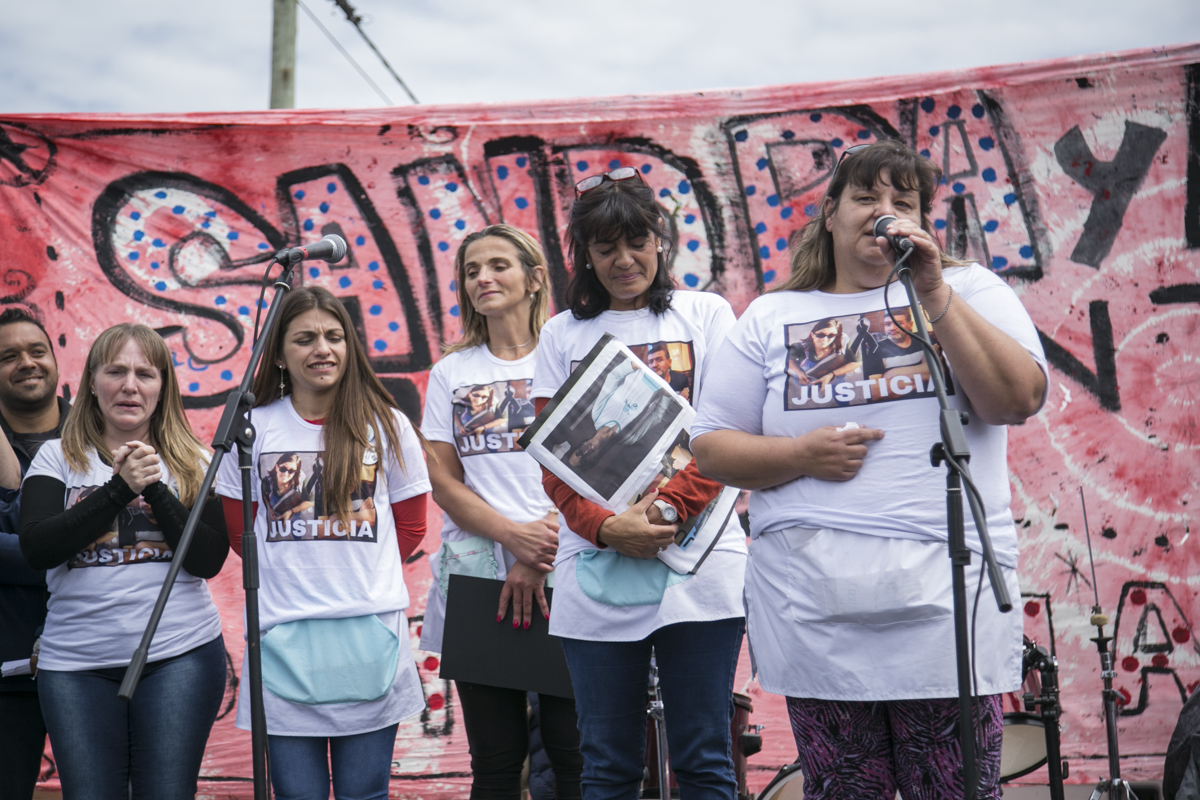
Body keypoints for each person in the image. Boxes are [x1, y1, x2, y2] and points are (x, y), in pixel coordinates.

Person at [690, 140, 1048, 800]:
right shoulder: (772, 316)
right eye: (866, 197)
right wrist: (798, 456)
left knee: (953, 788)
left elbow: (1017, 399)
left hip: (944, 602)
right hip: (813, 606)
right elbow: (710, 447)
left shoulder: (966, 290)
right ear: (830, 214)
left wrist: (932, 291)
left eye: (902, 201)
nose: (885, 211)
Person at [531, 166, 746, 800]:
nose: (624, 260)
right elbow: (551, 459)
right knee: (607, 768)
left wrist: (669, 512)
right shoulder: (561, 335)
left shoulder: (705, 314)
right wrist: (606, 528)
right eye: (606, 248)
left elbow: (728, 430)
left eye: (637, 242)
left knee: (705, 761)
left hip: (702, 567)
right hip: (593, 567)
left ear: (660, 239)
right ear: (584, 255)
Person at [215, 286, 432, 800]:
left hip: (370, 637)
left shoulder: (387, 425)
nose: (323, 349)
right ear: (279, 355)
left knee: (365, 794)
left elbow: (411, 526)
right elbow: (240, 533)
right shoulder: (253, 429)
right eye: (305, 339)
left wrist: (355, 569)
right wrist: (303, 565)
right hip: (282, 641)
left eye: (335, 337)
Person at [18, 324, 230, 800]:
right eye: (116, 371)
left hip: (181, 656)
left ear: (163, 388)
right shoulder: (56, 457)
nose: (130, 385)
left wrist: (154, 487)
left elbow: (207, 559)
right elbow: (38, 548)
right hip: (75, 667)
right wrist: (119, 489)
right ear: (92, 382)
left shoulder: (196, 460)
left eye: (144, 374)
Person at [418, 224, 583, 800]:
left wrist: (539, 551)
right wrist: (514, 538)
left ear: (535, 278)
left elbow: (602, 468)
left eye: (497, 265)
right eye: (471, 271)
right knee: (494, 761)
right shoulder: (451, 372)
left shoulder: (570, 357)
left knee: (574, 754)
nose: (482, 278)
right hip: (478, 580)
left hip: (570, 569)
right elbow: (443, 480)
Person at [0, 309, 67, 800]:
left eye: (36, 351)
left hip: (94, 663)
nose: (27, 362)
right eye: (8, 356)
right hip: (5, 671)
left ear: (55, 360)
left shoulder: (101, 430)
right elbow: (93, 545)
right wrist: (73, 547)